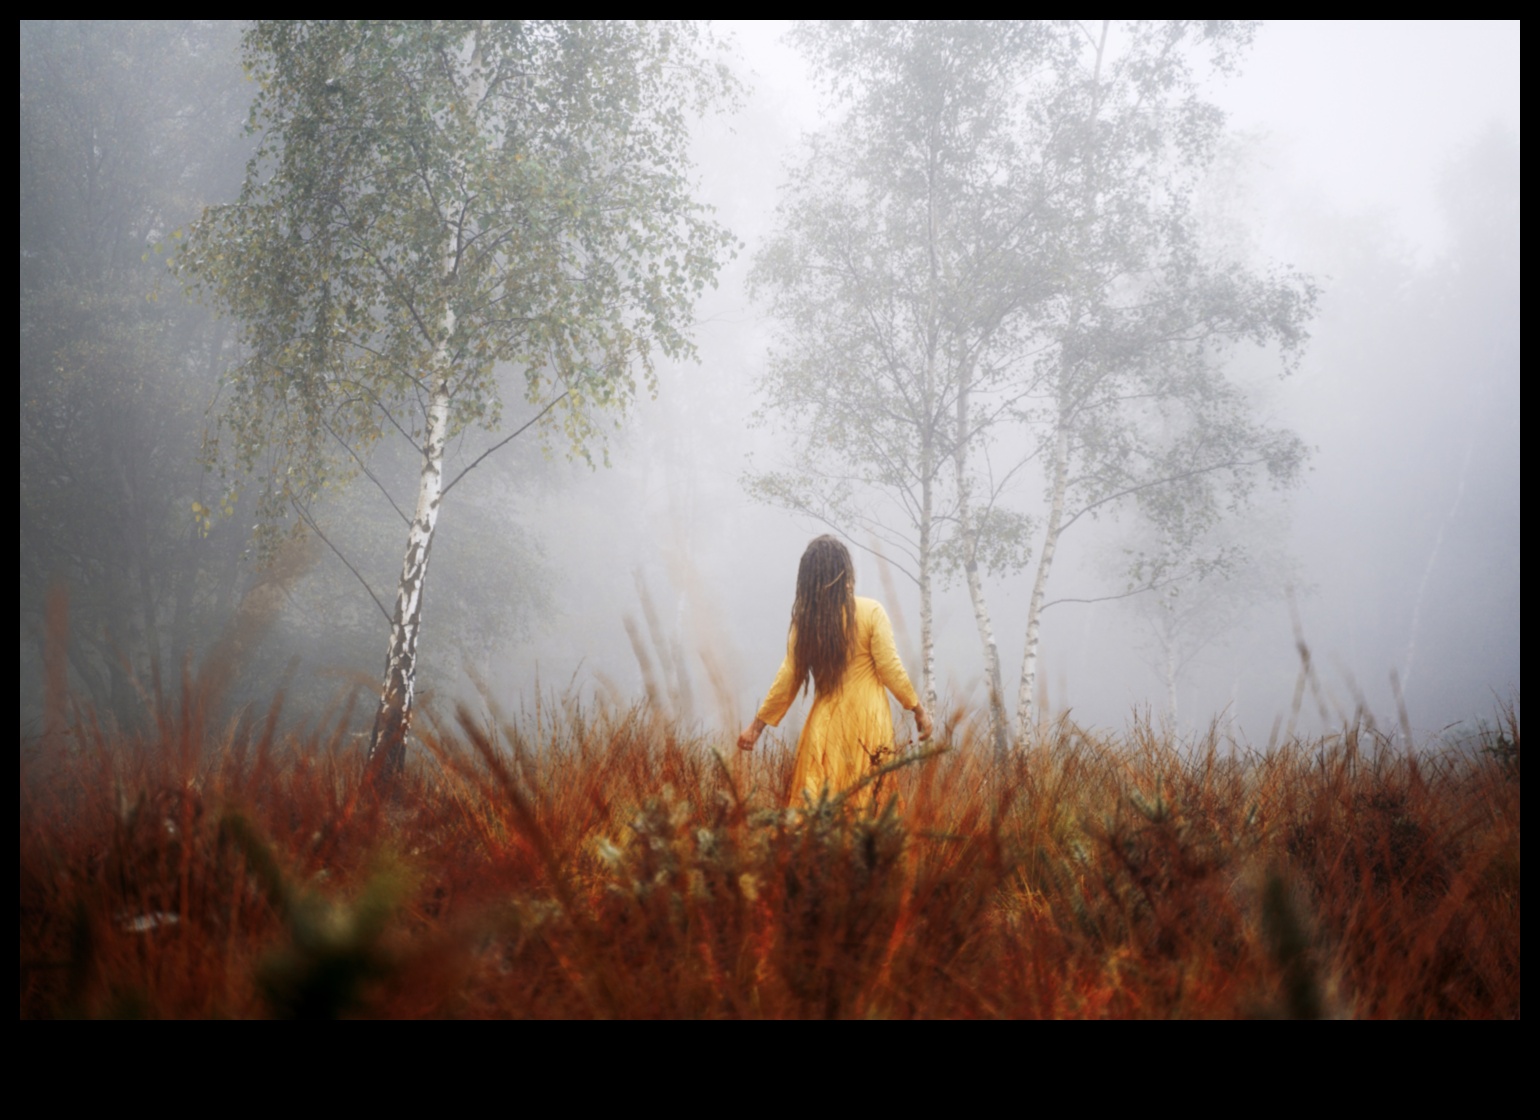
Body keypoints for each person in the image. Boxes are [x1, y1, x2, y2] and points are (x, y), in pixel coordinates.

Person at [737, 535, 933, 807]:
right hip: (869, 723)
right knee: (868, 804)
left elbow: (788, 678)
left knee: (817, 806)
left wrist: (756, 727)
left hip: (825, 726)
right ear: (844, 572)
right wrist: (917, 708)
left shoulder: (807, 624)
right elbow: (890, 668)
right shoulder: (872, 611)